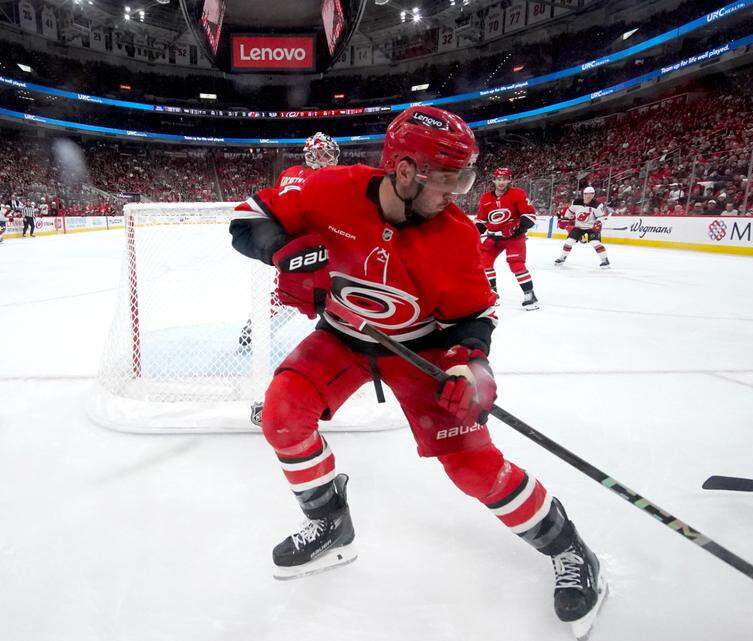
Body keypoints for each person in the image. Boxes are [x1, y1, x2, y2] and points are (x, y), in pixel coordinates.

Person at [228, 106, 606, 637]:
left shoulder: (454, 236)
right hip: (341, 339)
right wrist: (284, 253)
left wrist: (472, 369)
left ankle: (571, 550)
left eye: (465, 178)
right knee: (283, 415)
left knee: (473, 469)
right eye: (448, 178)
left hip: (422, 352)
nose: (459, 192)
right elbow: (246, 221)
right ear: (404, 170)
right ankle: (330, 525)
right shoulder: (331, 189)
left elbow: (474, 318)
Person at [239, 133, 341, 355]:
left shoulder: (289, 173)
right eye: (324, 153)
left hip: (290, 245)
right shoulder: (323, 178)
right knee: (326, 293)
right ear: (312, 155)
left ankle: (253, 331)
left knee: (287, 292)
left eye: (330, 153)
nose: (330, 158)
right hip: (314, 247)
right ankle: (255, 332)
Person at [475, 167, 539, 310]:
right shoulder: (485, 198)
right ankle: (492, 293)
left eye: (504, 179)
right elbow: (482, 222)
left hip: (514, 237)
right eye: (498, 179)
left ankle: (530, 295)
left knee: (515, 263)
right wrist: (474, 234)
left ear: (509, 180)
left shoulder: (517, 193)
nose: (501, 182)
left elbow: (530, 216)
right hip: (494, 237)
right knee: (484, 260)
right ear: (494, 180)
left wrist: (517, 230)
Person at [555, 186, 611, 268]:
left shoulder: (597, 205)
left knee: (595, 243)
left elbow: (601, 217)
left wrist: (598, 223)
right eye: (586, 194)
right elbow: (570, 213)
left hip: (591, 228)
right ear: (583, 194)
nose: (588, 196)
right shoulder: (576, 202)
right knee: (569, 241)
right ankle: (563, 257)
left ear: (593, 195)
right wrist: (566, 218)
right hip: (578, 227)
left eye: (591, 194)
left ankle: (605, 260)